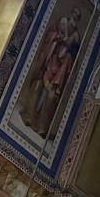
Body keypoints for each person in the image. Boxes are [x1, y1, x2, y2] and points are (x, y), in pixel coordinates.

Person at [19, 7, 83, 138]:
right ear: (72, 14)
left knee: (51, 96)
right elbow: (50, 35)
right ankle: (28, 115)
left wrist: (65, 55)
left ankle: (41, 126)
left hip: (61, 67)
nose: (75, 18)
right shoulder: (62, 22)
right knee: (38, 85)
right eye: (75, 15)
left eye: (78, 17)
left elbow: (73, 55)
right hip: (50, 57)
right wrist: (56, 38)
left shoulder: (76, 36)